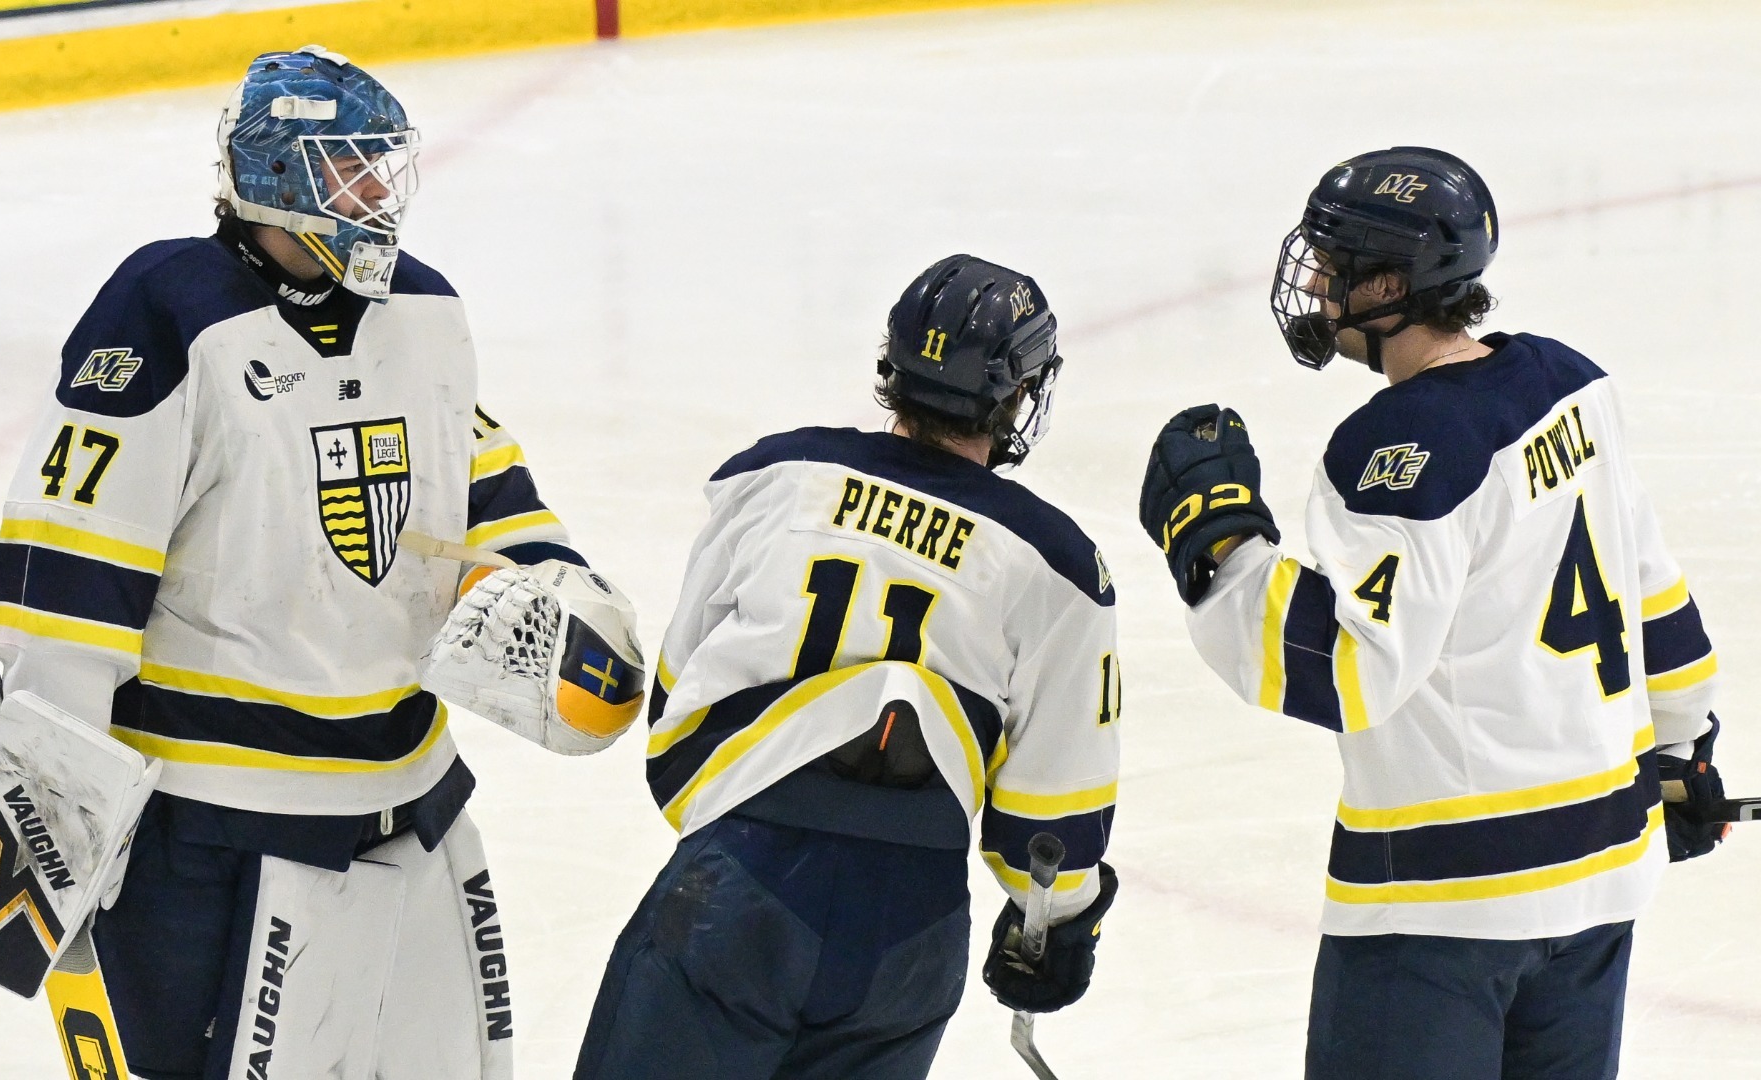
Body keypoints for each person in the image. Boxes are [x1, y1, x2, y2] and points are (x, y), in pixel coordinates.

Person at [0, 45, 642, 1079]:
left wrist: (557, 590)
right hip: (221, 833)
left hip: (415, 808)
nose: (379, 195)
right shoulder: (165, 310)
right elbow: (70, 587)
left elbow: (486, 493)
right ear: (277, 179)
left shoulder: (425, 309)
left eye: (385, 168)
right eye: (351, 171)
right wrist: (53, 814)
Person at [1137, 146, 1733, 1079]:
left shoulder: (1396, 450)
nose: (1319, 283)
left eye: (1336, 266)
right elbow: (1653, 591)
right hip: (1603, 879)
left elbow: (1350, 668)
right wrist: (1683, 747)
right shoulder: (1571, 384)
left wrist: (1221, 549)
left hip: (1445, 908)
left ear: (1389, 285)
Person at [573, 255, 1121, 1080]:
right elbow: (1052, 821)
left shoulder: (771, 477)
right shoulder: (1060, 566)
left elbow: (678, 696)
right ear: (1015, 395)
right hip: (910, 925)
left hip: (740, 879)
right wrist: (1058, 926)